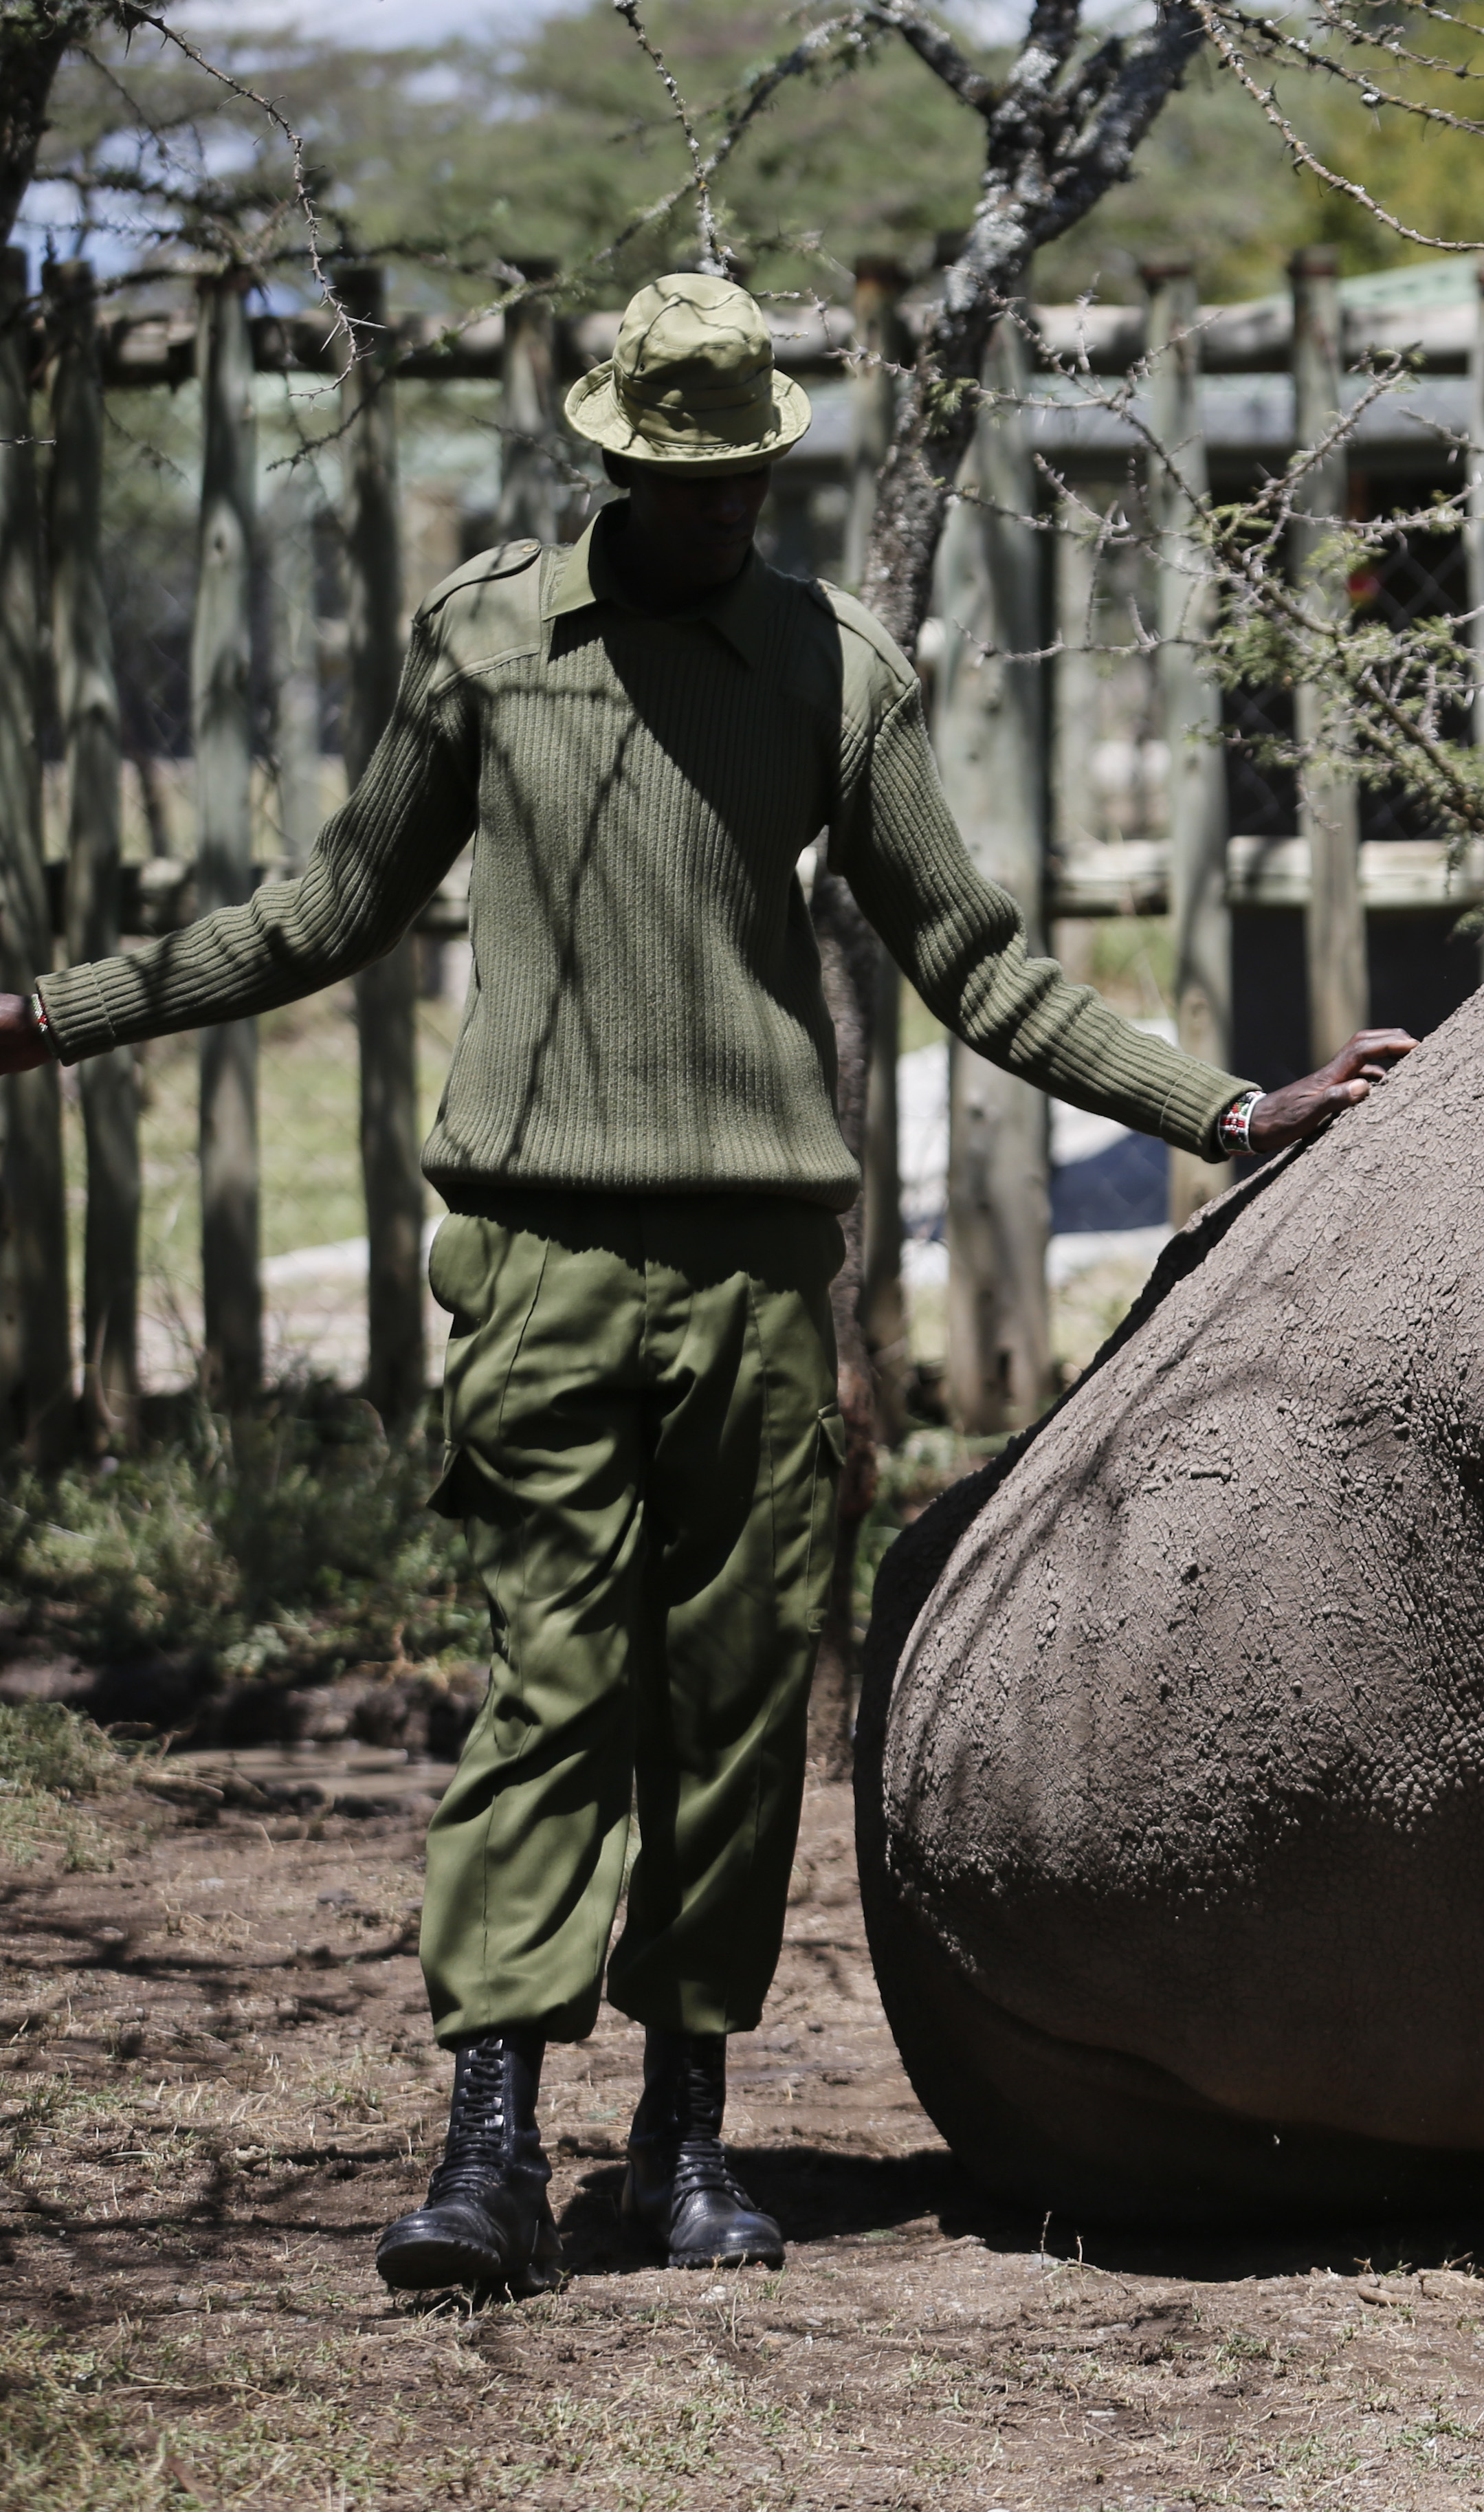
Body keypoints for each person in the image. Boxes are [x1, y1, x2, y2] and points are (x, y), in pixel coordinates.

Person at [0, 271, 1413, 2299]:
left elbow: (976, 957)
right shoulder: (489, 643)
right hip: (544, 1256)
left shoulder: (835, 665)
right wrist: (56, 1017)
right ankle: (488, 2145)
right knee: (554, 1690)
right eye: (690, 479)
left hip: (760, 1270)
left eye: (752, 474)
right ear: (616, 462)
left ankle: (683, 2138)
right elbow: (324, 910)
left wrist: (1225, 1109)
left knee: (736, 1709)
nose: (727, 507)